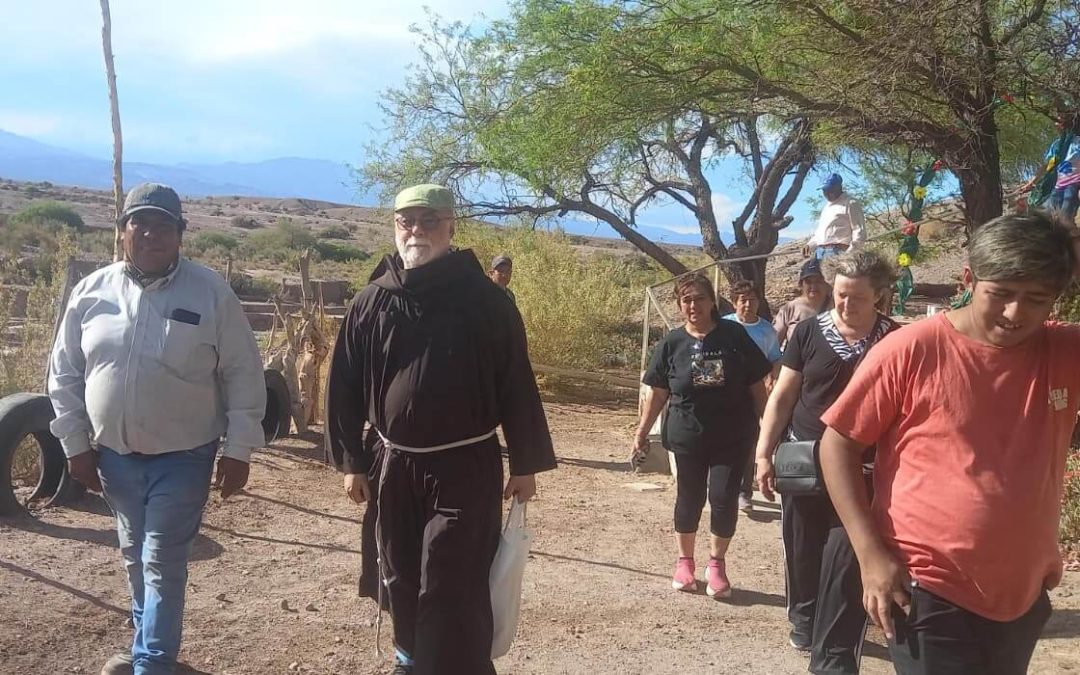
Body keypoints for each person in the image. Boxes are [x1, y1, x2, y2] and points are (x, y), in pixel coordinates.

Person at [818, 212, 1080, 675]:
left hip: (1021, 591)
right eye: (1000, 294)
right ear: (968, 279)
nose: (1015, 314)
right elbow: (837, 443)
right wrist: (870, 555)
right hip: (926, 587)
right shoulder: (912, 350)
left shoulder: (1064, 352)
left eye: (1037, 299)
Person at [325, 184, 556, 675]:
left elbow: (516, 379)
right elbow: (342, 381)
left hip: (464, 466)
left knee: (451, 577)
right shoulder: (373, 301)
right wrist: (351, 461)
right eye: (407, 221)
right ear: (395, 227)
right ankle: (410, 660)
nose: (417, 231)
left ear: (451, 227)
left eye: (429, 221)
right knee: (400, 574)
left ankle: (460, 665)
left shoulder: (487, 303)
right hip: (393, 463)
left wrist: (526, 462)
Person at [48, 182, 266, 675]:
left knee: (162, 560)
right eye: (139, 223)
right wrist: (74, 444)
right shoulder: (91, 292)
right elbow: (63, 374)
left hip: (184, 455)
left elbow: (243, 373)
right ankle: (148, 647)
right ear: (122, 231)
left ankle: (152, 663)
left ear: (180, 235)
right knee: (134, 554)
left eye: (163, 225)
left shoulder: (211, 292)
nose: (151, 233)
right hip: (114, 457)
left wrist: (240, 449)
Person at [754, 250, 898, 673]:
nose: (845, 305)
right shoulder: (809, 332)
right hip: (804, 464)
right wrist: (764, 454)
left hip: (864, 472)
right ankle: (803, 615)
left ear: (879, 297)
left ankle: (834, 648)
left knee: (846, 555)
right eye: (839, 295)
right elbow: (782, 396)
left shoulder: (896, 339)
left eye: (856, 298)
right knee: (802, 550)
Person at [634, 274, 771, 598]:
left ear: (712, 301)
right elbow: (658, 391)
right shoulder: (672, 342)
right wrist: (641, 431)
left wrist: (769, 429)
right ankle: (685, 562)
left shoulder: (733, 335)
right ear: (680, 305)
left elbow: (757, 385)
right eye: (686, 300)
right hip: (687, 435)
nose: (693, 305)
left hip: (733, 436)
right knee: (689, 497)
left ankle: (716, 565)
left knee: (723, 499)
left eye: (699, 298)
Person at [723, 279, 783, 513]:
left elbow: (775, 358)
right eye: (742, 300)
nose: (747, 304)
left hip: (753, 394)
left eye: (752, 299)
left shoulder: (766, 330)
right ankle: (721, 485)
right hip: (723, 393)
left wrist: (773, 378)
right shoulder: (723, 325)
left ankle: (743, 492)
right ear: (734, 302)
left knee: (749, 442)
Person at [1021, 115, 1080, 223]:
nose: (1056, 124)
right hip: (1058, 185)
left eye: (1059, 121)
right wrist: (1031, 182)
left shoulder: (1077, 142)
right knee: (1048, 217)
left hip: (1073, 184)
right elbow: (1046, 165)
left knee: (1065, 218)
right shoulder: (1056, 145)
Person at [774, 258, 832, 349]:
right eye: (808, 282)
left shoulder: (838, 307)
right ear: (801, 285)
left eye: (818, 281)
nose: (813, 286)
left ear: (827, 283)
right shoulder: (790, 309)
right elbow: (774, 345)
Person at [807, 174, 865, 260]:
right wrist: (810, 245)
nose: (827, 193)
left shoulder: (851, 203)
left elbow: (859, 231)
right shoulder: (826, 207)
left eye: (830, 190)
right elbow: (821, 232)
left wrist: (850, 253)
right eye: (824, 190)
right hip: (820, 252)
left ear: (839, 187)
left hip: (839, 251)